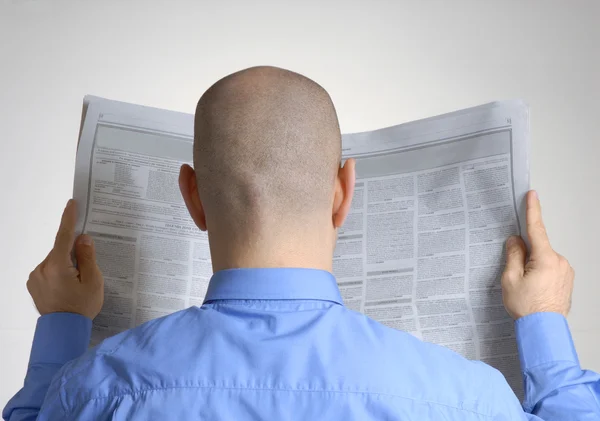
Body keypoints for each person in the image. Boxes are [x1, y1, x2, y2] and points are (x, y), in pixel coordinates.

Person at [3, 66, 599, 421]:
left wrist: (60, 325)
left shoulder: (99, 388)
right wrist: (543, 320)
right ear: (344, 191)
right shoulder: (462, 397)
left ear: (193, 196)